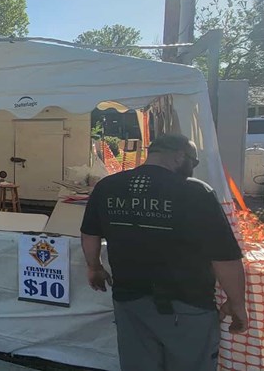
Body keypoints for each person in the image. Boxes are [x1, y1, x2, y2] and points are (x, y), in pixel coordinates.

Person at [80, 134, 247, 371]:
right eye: (193, 162)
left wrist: (94, 267)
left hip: (130, 301)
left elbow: (89, 233)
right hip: (187, 304)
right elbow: (224, 256)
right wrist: (237, 303)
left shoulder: (108, 186)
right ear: (180, 157)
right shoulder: (195, 191)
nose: (193, 168)